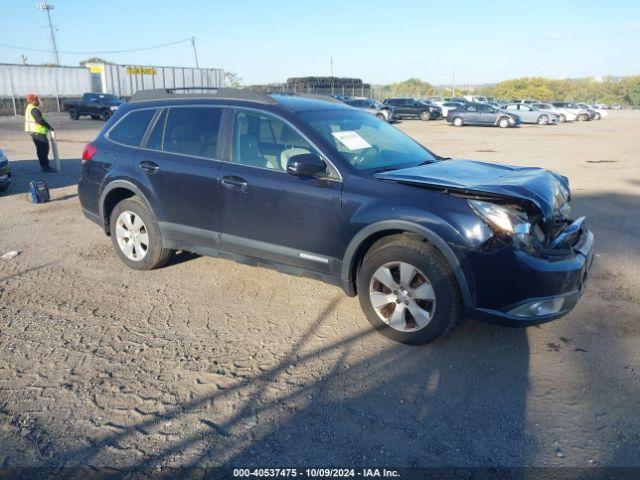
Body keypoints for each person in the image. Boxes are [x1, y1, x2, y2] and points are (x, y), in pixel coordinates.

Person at [24, 94, 56, 173]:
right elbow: (40, 120)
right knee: (43, 149)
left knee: (41, 149)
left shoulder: (30, 107)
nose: (38, 101)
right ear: (32, 101)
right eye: (37, 100)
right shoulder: (34, 109)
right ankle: (45, 166)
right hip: (38, 131)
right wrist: (49, 127)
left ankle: (44, 165)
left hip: (35, 131)